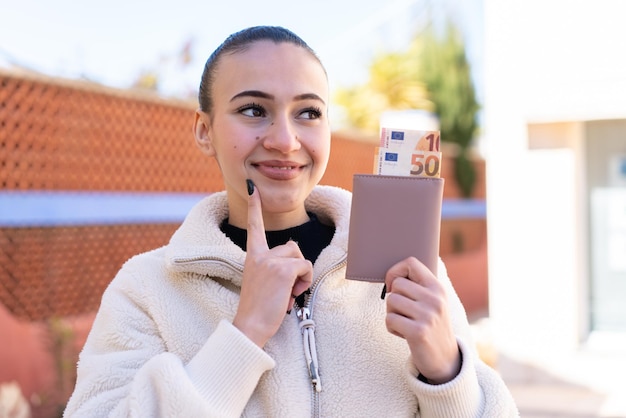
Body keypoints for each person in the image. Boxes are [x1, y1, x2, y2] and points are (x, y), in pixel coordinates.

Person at [64, 26, 518, 417]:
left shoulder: (407, 266)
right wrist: (242, 337)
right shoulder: (146, 289)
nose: (285, 140)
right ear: (205, 131)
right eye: (253, 110)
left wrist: (446, 372)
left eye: (308, 113)